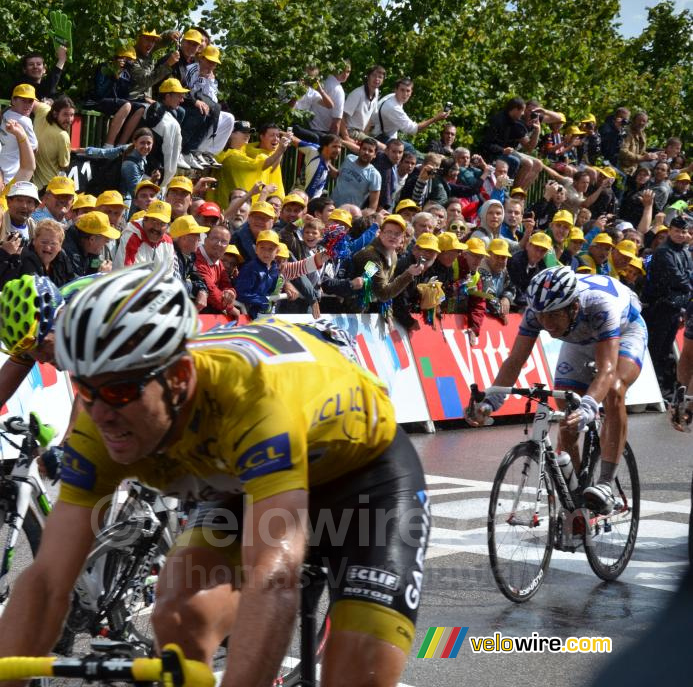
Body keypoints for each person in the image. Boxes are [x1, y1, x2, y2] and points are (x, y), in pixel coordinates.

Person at [0, 265, 429, 687]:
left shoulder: (249, 398)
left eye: (118, 390)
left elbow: (272, 577)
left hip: (362, 477)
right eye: (86, 389)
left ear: (178, 377)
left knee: (358, 672)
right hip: (241, 477)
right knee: (180, 612)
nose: (101, 414)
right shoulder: (100, 422)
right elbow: (47, 580)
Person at [468, 266, 648, 515]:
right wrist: (491, 401)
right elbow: (515, 360)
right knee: (567, 410)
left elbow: (607, 369)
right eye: (542, 316)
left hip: (625, 331)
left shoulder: (600, 305)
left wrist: (589, 406)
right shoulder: (537, 311)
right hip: (579, 339)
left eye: (553, 315)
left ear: (573, 306)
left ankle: (606, 484)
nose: (547, 323)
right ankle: (578, 494)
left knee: (613, 390)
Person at [642, 216, 693, 396]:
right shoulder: (663, 251)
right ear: (670, 231)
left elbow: (689, 273)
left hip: (675, 307)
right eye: (677, 231)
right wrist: (690, 288)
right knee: (654, 350)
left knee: (665, 351)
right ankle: (648, 390)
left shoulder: (684, 251)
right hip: (659, 307)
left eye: (684, 232)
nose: (680, 235)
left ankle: (660, 389)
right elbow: (676, 278)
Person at [372, 77, 449, 146]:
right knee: (410, 150)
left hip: (385, 137)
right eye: (402, 90)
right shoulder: (393, 107)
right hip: (378, 139)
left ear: (411, 92)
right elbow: (413, 130)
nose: (405, 94)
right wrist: (435, 119)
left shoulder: (392, 97)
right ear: (396, 90)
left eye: (408, 91)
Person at [113, 200, 175, 274]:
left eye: (162, 223)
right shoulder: (132, 236)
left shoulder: (168, 242)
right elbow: (127, 274)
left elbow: (169, 273)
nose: (156, 227)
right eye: (153, 221)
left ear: (167, 226)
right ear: (145, 219)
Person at [32, 96, 75, 190]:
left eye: (72, 115)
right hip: (49, 188)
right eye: (65, 114)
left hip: (31, 185)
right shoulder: (63, 136)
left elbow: (30, 100)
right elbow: (64, 165)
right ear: (55, 114)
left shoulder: (43, 110)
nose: (69, 119)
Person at [330, 137, 381, 211]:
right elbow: (338, 176)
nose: (366, 152)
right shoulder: (349, 158)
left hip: (349, 214)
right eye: (364, 149)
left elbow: (373, 205)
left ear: (374, 155)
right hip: (332, 207)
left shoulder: (375, 175)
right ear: (359, 149)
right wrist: (326, 161)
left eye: (370, 151)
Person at [0, 84, 39, 182]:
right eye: (23, 100)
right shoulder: (25, 121)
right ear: (13, 100)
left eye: (30, 101)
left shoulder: (6, 112)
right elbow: (34, 149)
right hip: (11, 177)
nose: (27, 105)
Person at [62, 211, 119, 276]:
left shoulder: (90, 248)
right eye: (106, 240)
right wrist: (100, 275)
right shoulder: (69, 256)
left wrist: (99, 268)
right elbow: (77, 281)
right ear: (92, 239)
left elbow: (92, 268)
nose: (107, 242)